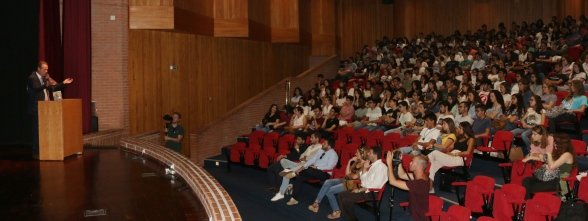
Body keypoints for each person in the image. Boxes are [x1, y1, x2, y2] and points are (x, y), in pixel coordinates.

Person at [27, 61, 74, 158]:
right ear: (39, 69)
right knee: (37, 131)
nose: (46, 71)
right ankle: (36, 152)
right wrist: (46, 83)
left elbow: (53, 88)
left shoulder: (44, 78)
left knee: (44, 131)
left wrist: (63, 83)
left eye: (47, 69)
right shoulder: (32, 78)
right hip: (37, 109)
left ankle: (45, 150)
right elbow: (36, 88)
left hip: (46, 109)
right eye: (44, 69)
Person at [272, 139, 338, 205]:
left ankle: (290, 175)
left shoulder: (333, 154)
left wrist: (317, 167)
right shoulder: (321, 150)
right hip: (312, 170)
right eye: (323, 143)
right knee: (300, 176)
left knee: (306, 171)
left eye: (325, 143)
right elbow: (312, 160)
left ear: (329, 146)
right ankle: (294, 199)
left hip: (324, 173)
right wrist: (302, 167)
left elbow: (330, 167)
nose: (322, 144)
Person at [307, 147, 366, 217]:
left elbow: (354, 177)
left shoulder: (365, 165)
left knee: (329, 191)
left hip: (353, 184)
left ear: (362, 155)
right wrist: (350, 161)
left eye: (357, 153)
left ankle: (336, 211)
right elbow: (347, 173)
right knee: (327, 182)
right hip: (346, 180)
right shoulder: (356, 162)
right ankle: (316, 204)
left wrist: (349, 176)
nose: (355, 154)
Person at [336, 146, 388, 220]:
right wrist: (364, 169)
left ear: (375, 155)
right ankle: (346, 216)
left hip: (372, 193)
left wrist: (360, 190)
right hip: (364, 189)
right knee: (341, 195)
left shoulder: (381, 167)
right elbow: (364, 180)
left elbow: (375, 186)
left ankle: (352, 219)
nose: (368, 154)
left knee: (346, 199)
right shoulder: (373, 165)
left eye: (370, 153)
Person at [522, 133, 576, 199]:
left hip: (558, 180)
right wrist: (531, 157)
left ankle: (528, 204)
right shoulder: (559, 152)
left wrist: (549, 153)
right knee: (526, 180)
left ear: (561, 144)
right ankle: (528, 203)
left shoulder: (567, 155)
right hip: (550, 177)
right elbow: (544, 159)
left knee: (531, 186)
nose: (554, 144)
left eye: (555, 143)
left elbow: (552, 166)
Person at [385, 152, 430, 221]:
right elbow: (402, 175)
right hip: (411, 213)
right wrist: (399, 162)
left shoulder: (420, 183)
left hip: (416, 218)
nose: (410, 163)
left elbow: (392, 181)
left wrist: (389, 164)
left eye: (412, 162)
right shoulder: (421, 176)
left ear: (419, 166)